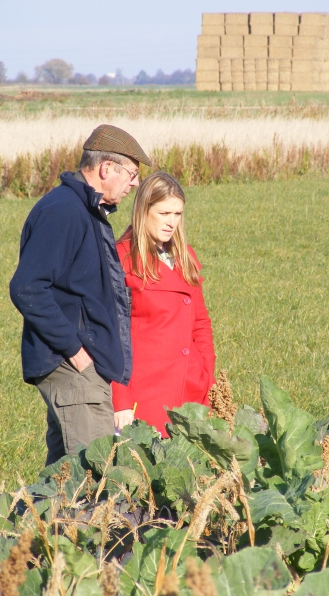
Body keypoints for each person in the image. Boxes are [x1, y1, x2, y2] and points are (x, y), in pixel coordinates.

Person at [10, 124, 152, 466]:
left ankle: (27, 522)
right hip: (72, 368)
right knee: (95, 479)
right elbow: (27, 287)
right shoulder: (65, 211)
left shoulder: (86, 210)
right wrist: (75, 350)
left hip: (81, 368)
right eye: (132, 174)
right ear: (106, 169)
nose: (135, 183)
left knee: (62, 482)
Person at [112, 172, 216, 437]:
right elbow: (111, 332)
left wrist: (207, 374)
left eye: (177, 214)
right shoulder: (121, 258)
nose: (172, 223)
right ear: (143, 209)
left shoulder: (184, 255)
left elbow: (200, 323)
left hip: (191, 386)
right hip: (146, 394)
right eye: (164, 213)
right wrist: (120, 399)